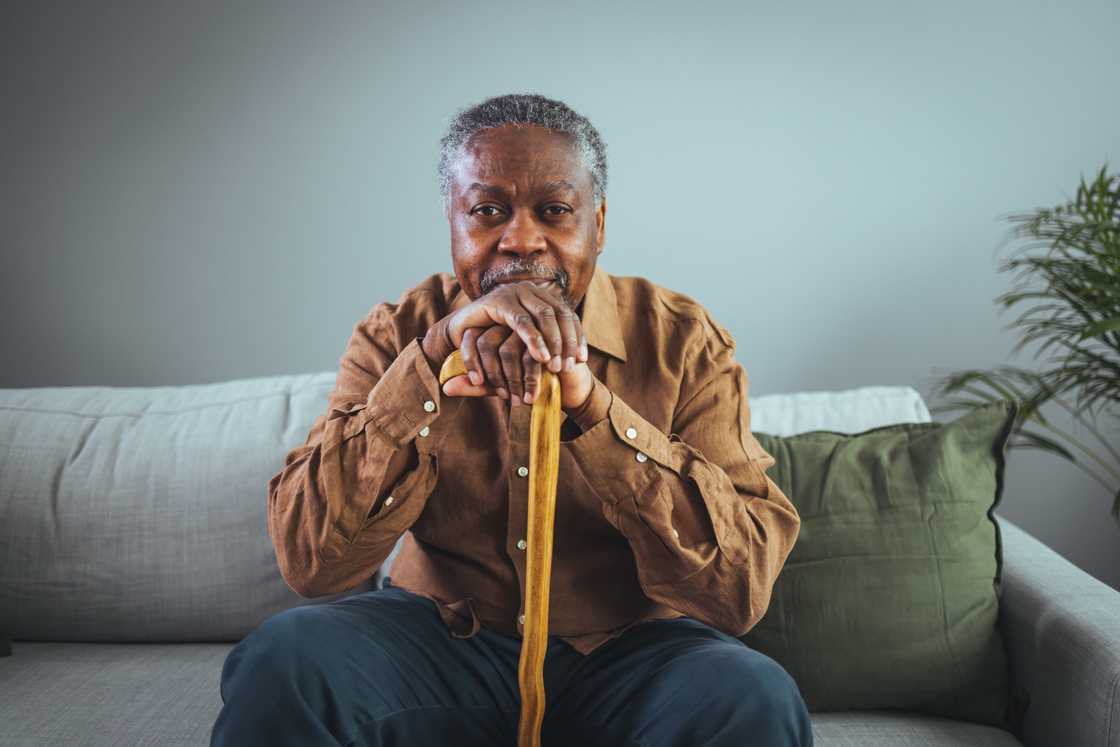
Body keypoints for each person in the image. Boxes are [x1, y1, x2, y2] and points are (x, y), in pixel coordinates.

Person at [211, 93, 813, 747]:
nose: (521, 239)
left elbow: (739, 589)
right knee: (286, 657)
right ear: (453, 220)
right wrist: (430, 363)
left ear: (598, 224)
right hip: (437, 643)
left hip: (631, 654)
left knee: (753, 695)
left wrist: (593, 410)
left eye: (554, 211)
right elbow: (310, 563)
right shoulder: (397, 334)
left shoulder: (685, 341)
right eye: (488, 210)